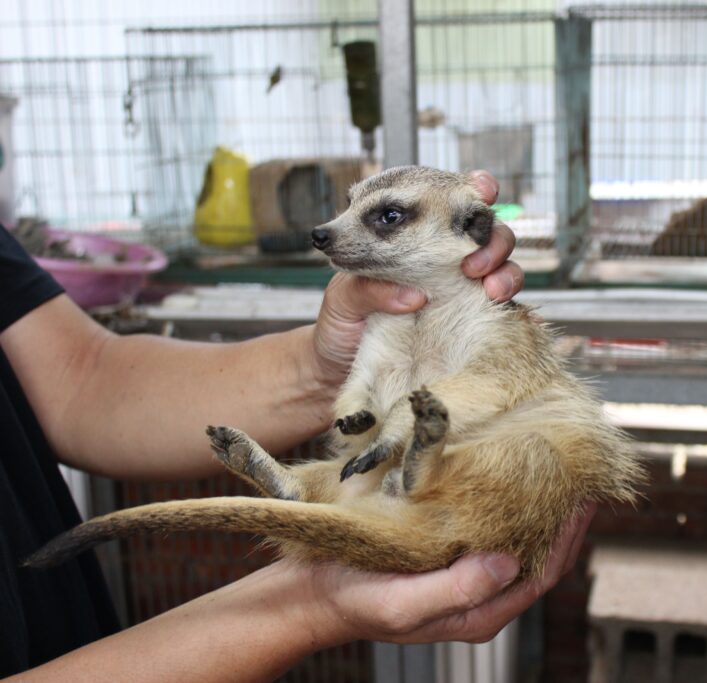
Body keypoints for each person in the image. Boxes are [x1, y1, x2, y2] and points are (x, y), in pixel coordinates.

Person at [0, 171, 595, 682]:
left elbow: (79, 376)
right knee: (354, 468)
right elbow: (361, 423)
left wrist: (318, 369)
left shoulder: (481, 319)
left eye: (387, 217)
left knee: (523, 453)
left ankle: (366, 484)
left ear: (469, 229)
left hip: (477, 481)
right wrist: (309, 605)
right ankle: (337, 487)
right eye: (351, 207)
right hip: (412, 484)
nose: (330, 230)